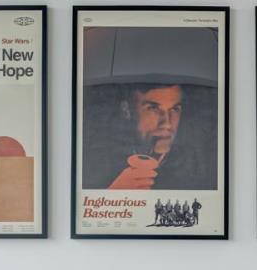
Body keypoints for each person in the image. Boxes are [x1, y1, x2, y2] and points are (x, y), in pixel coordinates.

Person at [81, 26, 219, 191]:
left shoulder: (203, 167)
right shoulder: (91, 158)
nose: (167, 123)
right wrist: (114, 195)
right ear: (126, 110)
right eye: (153, 108)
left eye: (175, 109)